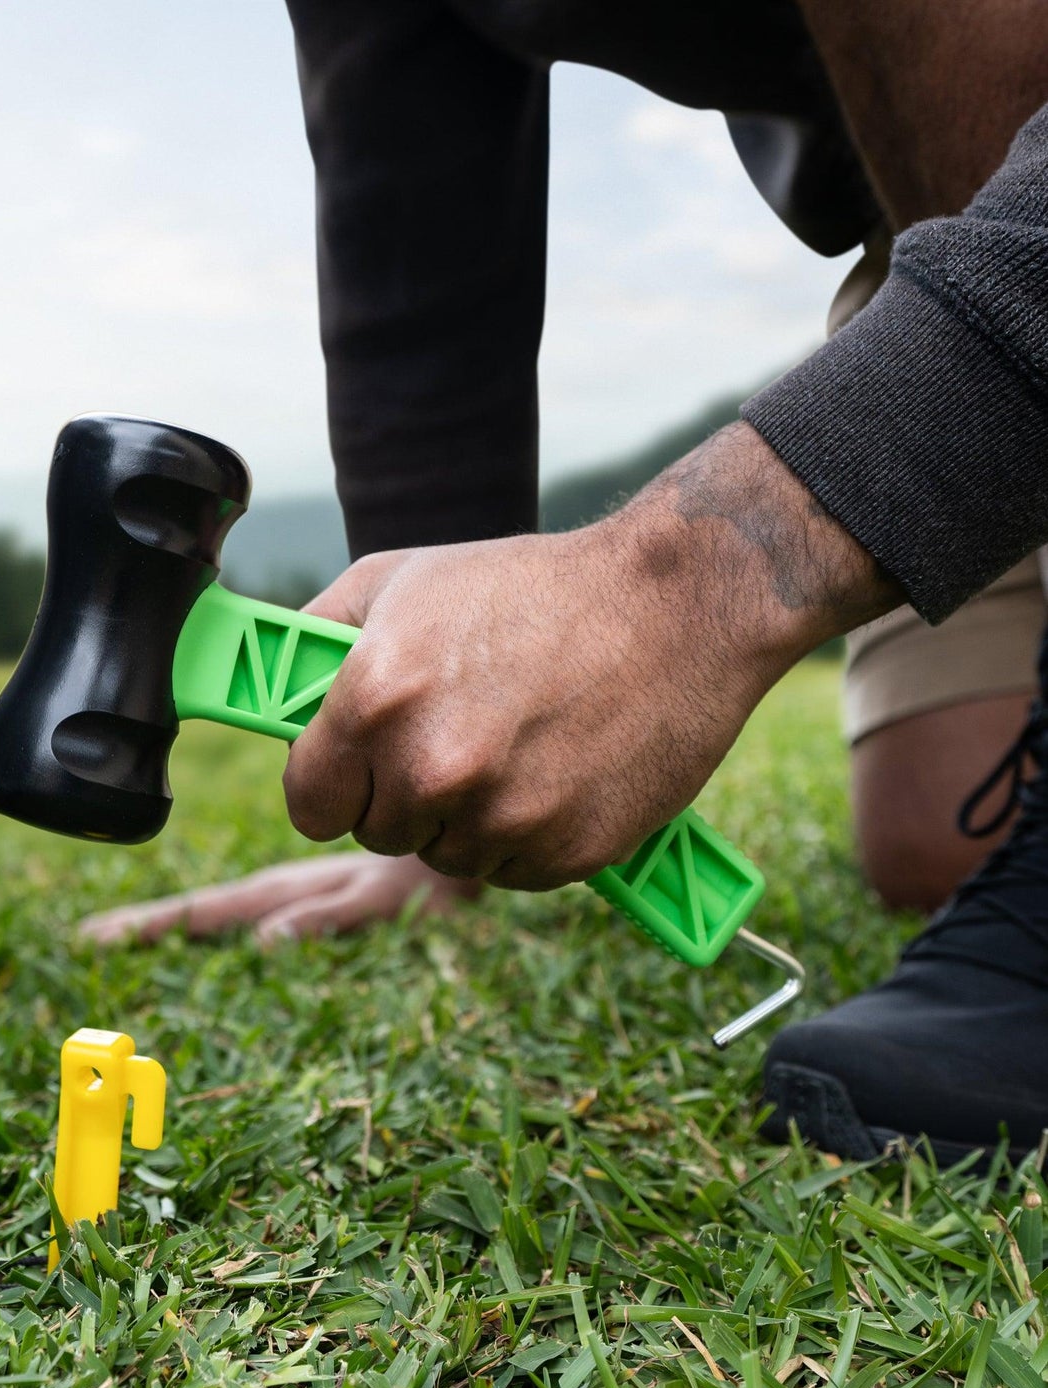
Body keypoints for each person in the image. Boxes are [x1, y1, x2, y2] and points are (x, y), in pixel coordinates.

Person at [85, 1, 1048, 1164]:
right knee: (935, 840)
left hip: (1012, 227)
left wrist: (685, 580)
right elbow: (412, 251)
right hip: (931, 261)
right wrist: (426, 746)